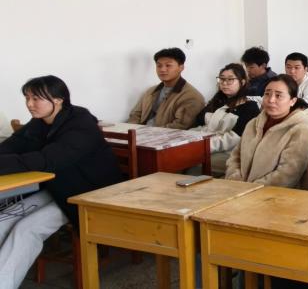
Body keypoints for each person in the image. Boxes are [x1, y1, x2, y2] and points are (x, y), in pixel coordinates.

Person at [0, 76, 121, 289]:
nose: (29, 104)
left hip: (88, 192)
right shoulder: (39, 122)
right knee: (3, 221)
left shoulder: (81, 123)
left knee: (27, 229)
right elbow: (11, 146)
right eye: (27, 98)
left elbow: (47, 160)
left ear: (58, 99)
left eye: (36, 98)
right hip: (58, 188)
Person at [225, 75, 308, 188]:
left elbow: (287, 176)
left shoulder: (300, 131)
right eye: (267, 94)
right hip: (241, 189)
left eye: (278, 96)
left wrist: (250, 189)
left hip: (277, 195)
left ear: (292, 101)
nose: (271, 100)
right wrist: (235, 180)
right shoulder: (253, 124)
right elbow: (235, 156)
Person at [191, 63, 260, 174]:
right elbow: (199, 124)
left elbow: (235, 138)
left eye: (230, 79)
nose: (224, 83)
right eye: (222, 79)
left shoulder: (249, 106)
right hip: (205, 146)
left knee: (193, 164)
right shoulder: (216, 101)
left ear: (242, 82)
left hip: (229, 152)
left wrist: (204, 146)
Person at [127, 47, 205, 128]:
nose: (162, 69)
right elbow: (135, 115)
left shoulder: (192, 96)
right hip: (139, 133)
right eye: (159, 65)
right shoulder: (151, 91)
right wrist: (131, 130)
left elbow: (180, 126)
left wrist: (146, 132)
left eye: (168, 65)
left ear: (181, 68)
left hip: (162, 135)